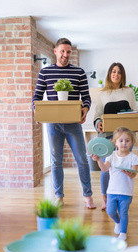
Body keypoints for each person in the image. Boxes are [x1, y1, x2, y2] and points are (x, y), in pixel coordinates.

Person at [32, 37, 96, 209]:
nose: (65, 55)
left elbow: (86, 97)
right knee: (56, 161)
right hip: (53, 124)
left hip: (73, 123)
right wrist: (36, 112)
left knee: (82, 159)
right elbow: (36, 97)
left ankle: (87, 195)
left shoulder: (79, 72)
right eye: (62, 51)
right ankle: (59, 197)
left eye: (68, 52)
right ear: (55, 51)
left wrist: (85, 109)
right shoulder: (45, 73)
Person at [93, 62, 138, 210]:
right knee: (106, 168)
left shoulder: (128, 92)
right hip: (107, 136)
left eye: (119, 72)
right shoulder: (103, 94)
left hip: (124, 137)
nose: (116, 74)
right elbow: (97, 115)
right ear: (109, 74)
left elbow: (134, 112)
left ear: (122, 75)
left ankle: (124, 197)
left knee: (124, 167)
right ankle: (105, 198)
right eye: (113, 71)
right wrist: (98, 123)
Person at [91, 127, 138, 240]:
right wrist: (98, 160)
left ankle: (123, 232)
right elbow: (105, 169)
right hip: (112, 190)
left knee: (124, 212)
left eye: (127, 140)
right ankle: (117, 222)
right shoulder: (111, 156)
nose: (124, 143)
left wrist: (129, 173)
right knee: (110, 211)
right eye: (121, 140)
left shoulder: (134, 157)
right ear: (115, 142)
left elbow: (134, 174)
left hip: (126, 191)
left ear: (131, 142)